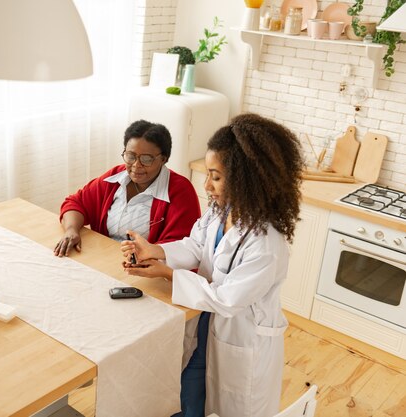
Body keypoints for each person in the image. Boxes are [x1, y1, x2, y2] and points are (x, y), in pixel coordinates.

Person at [121, 113, 304, 417]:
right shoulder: (221, 211)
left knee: (230, 408)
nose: (206, 185)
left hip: (239, 339)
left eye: (216, 177)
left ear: (247, 179)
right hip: (204, 323)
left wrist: (168, 274)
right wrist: (156, 251)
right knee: (189, 393)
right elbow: (195, 245)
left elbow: (227, 299)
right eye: (208, 174)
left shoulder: (266, 244)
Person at [54, 119, 200, 257]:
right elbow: (76, 203)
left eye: (146, 159)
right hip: (105, 257)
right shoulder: (115, 177)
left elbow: (181, 249)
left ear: (164, 159)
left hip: (148, 271)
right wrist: (71, 229)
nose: (136, 165)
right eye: (131, 156)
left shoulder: (181, 191)